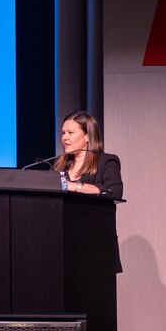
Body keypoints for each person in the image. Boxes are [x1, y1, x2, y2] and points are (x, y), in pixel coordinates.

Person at [55, 109, 123, 272]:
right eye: (63, 132)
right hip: (61, 244)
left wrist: (76, 186)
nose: (65, 137)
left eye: (70, 132)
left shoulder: (106, 161)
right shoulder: (60, 164)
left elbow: (114, 192)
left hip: (94, 244)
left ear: (87, 136)